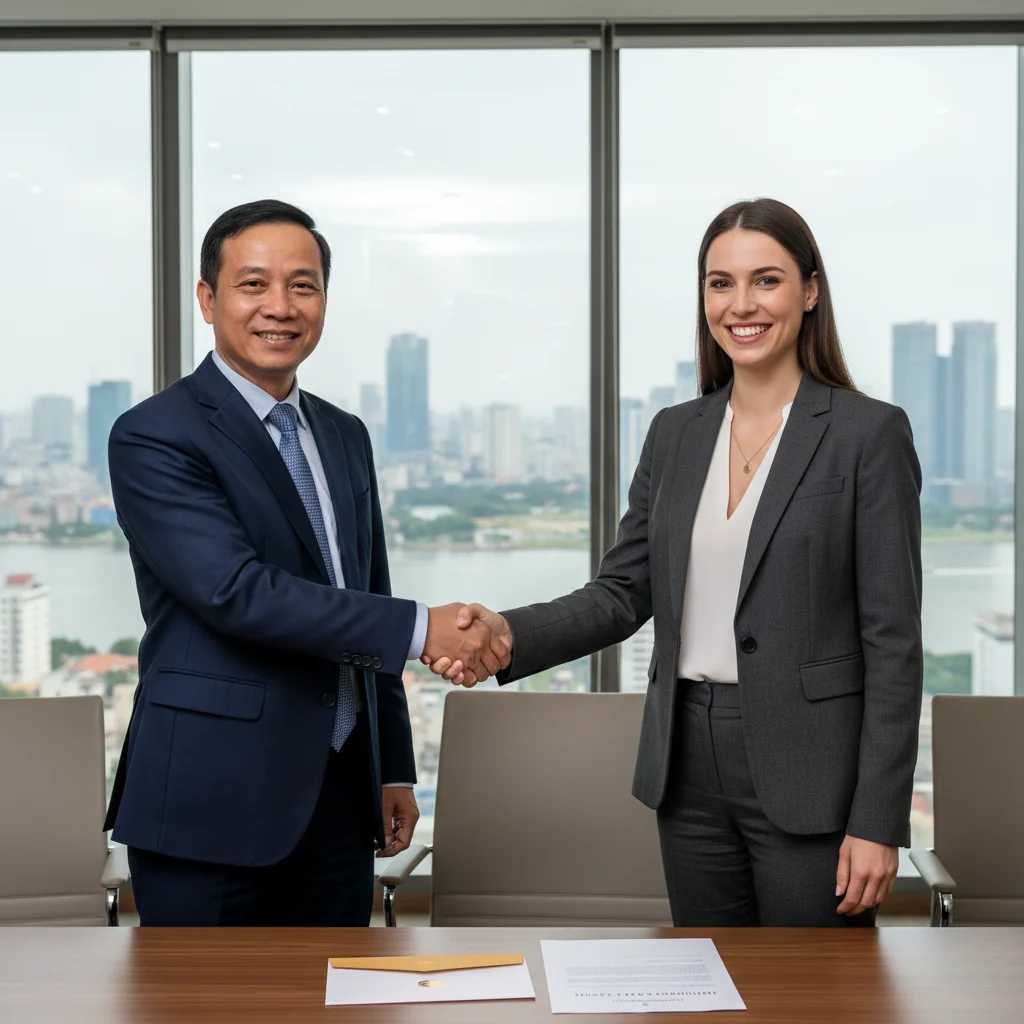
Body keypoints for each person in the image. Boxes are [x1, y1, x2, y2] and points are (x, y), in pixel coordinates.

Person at [426, 198, 923, 927]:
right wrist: (505, 632)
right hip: (686, 763)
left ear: (810, 292)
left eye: (766, 281)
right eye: (720, 283)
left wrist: (878, 820)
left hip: (809, 768)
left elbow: (893, 644)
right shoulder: (675, 434)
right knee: (706, 983)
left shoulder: (866, 434)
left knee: (814, 994)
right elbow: (622, 594)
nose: (741, 305)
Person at [104, 199, 509, 926]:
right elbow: (237, 593)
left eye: (304, 285)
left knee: (339, 997)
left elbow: (367, 593)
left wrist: (391, 767)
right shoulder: (154, 435)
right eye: (253, 284)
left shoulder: (343, 434)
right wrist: (427, 630)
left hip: (338, 798)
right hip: (211, 800)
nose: (280, 307)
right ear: (208, 298)